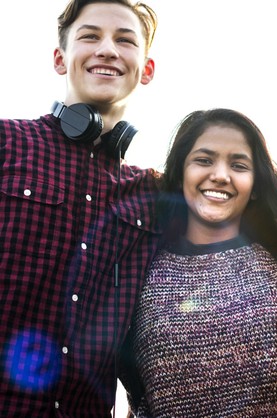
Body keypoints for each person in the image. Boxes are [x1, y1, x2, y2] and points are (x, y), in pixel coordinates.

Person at [0, 1, 158, 416]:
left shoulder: (154, 193)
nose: (107, 49)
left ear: (146, 69)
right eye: (90, 36)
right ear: (60, 59)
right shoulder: (6, 143)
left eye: (125, 40)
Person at [117, 108, 277, 416]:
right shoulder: (138, 269)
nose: (221, 175)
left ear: (255, 186)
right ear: (180, 172)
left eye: (238, 165)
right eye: (204, 160)